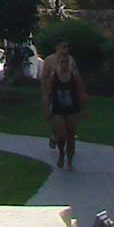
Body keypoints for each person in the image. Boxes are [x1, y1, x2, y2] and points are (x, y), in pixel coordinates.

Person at [41, 39, 88, 171]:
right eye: (62, 62)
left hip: (72, 107)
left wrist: (85, 109)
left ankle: (70, 161)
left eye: (66, 62)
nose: (64, 64)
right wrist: (46, 108)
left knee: (71, 135)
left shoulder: (74, 75)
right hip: (58, 108)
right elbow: (47, 92)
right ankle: (61, 152)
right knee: (61, 135)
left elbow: (81, 93)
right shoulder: (53, 75)